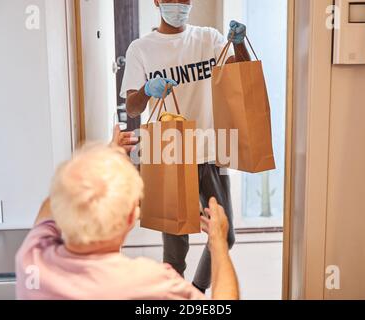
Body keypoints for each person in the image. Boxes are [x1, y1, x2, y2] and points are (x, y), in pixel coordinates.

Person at [15, 127, 239, 300]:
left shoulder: (33, 259)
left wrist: (108, 153)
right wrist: (218, 244)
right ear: (131, 218)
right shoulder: (152, 283)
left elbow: (52, 203)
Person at [120, 0, 251, 292]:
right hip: (168, 154)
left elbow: (239, 70)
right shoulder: (141, 48)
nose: (179, 4)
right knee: (175, 250)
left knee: (225, 236)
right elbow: (131, 107)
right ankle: (176, 297)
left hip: (210, 150)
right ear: (157, 1)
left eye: (185, 0)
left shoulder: (209, 38)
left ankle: (196, 290)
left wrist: (239, 44)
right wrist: (147, 89)